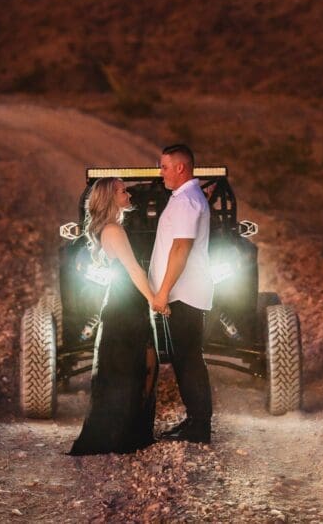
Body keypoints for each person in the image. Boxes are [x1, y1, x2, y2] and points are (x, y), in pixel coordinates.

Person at [69, 178, 168, 455]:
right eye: (123, 190)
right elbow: (134, 270)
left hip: (126, 303)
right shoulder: (113, 230)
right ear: (111, 198)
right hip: (125, 306)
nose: (129, 193)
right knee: (133, 368)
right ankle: (123, 435)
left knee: (138, 366)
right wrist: (155, 300)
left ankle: (132, 432)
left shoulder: (113, 228)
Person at [150, 144, 214, 444]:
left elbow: (181, 248)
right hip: (181, 292)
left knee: (189, 359)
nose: (160, 172)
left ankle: (199, 426)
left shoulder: (187, 200)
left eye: (164, 167)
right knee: (184, 359)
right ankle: (195, 421)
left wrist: (162, 292)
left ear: (180, 168)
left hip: (184, 293)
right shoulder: (185, 197)